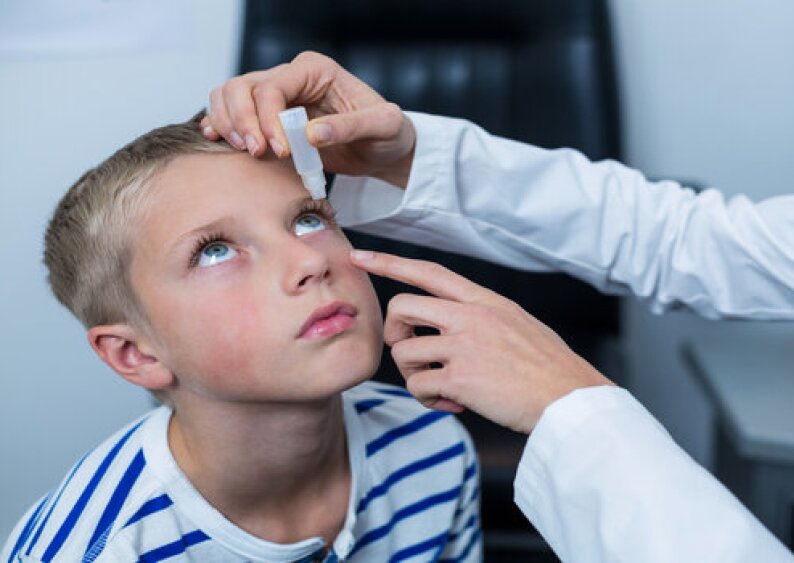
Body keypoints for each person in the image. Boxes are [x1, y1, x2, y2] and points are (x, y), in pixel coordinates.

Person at [200, 0, 794, 560]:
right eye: (214, 249)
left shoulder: (427, 467)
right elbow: (690, 239)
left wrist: (568, 406)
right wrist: (411, 157)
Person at [0, 113, 481, 562]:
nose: (311, 262)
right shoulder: (99, 550)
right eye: (213, 252)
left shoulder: (433, 443)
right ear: (135, 353)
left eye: (308, 220)